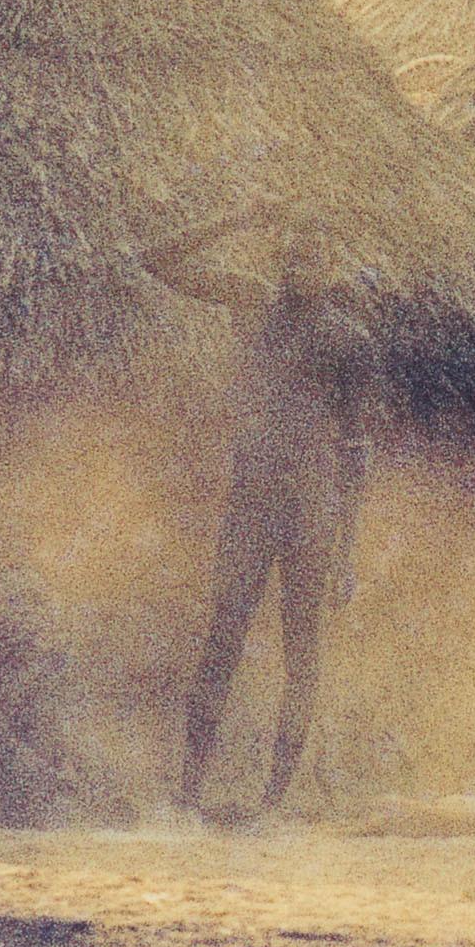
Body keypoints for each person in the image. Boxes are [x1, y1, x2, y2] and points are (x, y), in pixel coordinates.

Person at [142, 197, 376, 822]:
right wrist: (236, 216)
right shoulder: (249, 302)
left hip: (313, 511)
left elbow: (356, 451)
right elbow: (154, 258)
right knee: (222, 639)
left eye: (316, 253)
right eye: (293, 251)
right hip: (253, 502)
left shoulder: (347, 339)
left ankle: (274, 800)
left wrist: (348, 553)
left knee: (303, 653)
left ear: (333, 265)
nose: (303, 262)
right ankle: (189, 794)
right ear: (277, 257)